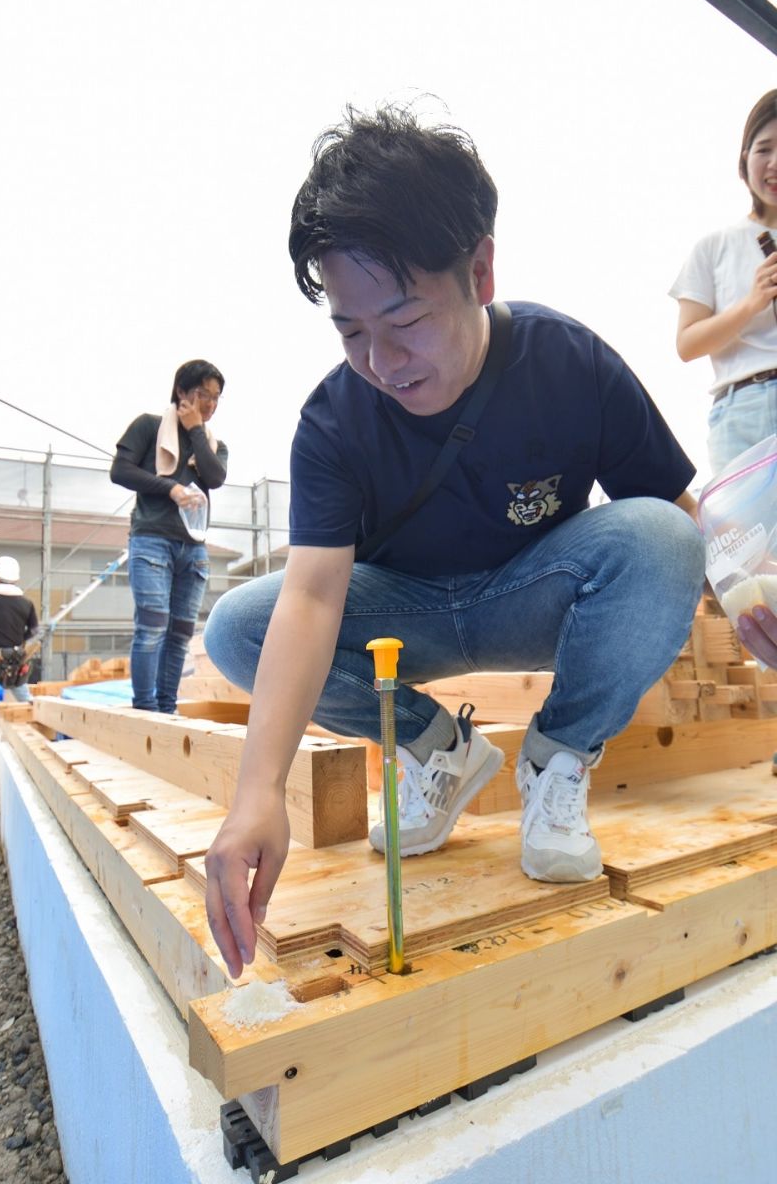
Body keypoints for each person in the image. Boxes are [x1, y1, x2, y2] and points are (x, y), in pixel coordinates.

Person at [203, 106, 706, 977]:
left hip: (534, 593)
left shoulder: (570, 362)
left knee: (662, 537)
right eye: (351, 332)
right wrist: (255, 796)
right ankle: (438, 753)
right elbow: (315, 596)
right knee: (239, 624)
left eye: (404, 321)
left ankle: (557, 763)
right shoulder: (332, 421)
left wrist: (748, 591)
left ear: (478, 269)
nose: (382, 362)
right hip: (409, 616)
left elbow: (678, 514)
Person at [670, 89, 777, 668]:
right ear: (744, 159)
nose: (775, 164)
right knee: (757, 569)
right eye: (765, 148)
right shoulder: (714, 247)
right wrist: (752, 304)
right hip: (744, 406)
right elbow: (688, 343)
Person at [110, 359, 228, 713]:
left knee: (179, 634)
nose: (209, 403)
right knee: (151, 626)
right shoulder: (148, 427)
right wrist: (171, 488)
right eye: (202, 394)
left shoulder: (212, 443)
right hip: (151, 540)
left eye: (216, 398)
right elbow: (120, 470)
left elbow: (215, 476)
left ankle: (167, 708)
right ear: (181, 392)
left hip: (193, 548)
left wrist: (194, 430)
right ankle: (145, 710)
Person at [0, 556, 38, 755]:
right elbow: (34, 630)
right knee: (23, 696)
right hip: (14, 660)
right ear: (15, 579)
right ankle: (37, 730)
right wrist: (18, 642)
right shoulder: (25, 603)